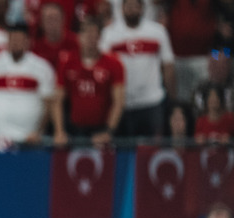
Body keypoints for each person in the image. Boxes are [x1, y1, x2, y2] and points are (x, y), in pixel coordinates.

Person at [100, 0, 175, 138]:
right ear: (122, 8)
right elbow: (103, 67)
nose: (132, 9)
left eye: (136, 6)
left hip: (152, 101)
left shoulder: (157, 32)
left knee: (152, 150)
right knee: (122, 150)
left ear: (142, 8)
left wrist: (171, 98)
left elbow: (168, 66)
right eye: (129, 6)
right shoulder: (109, 34)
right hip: (122, 103)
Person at [0, 23, 56, 147]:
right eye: (12, 39)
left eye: (19, 39)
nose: (15, 43)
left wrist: (38, 132)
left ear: (27, 42)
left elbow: (49, 105)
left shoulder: (42, 68)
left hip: (30, 140)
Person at [53, 16, 125, 146]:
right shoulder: (67, 62)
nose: (90, 37)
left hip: (101, 128)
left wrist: (108, 131)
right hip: (74, 130)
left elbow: (119, 101)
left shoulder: (113, 63)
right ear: (78, 36)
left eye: (94, 33)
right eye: (86, 32)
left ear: (99, 37)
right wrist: (59, 131)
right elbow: (58, 99)